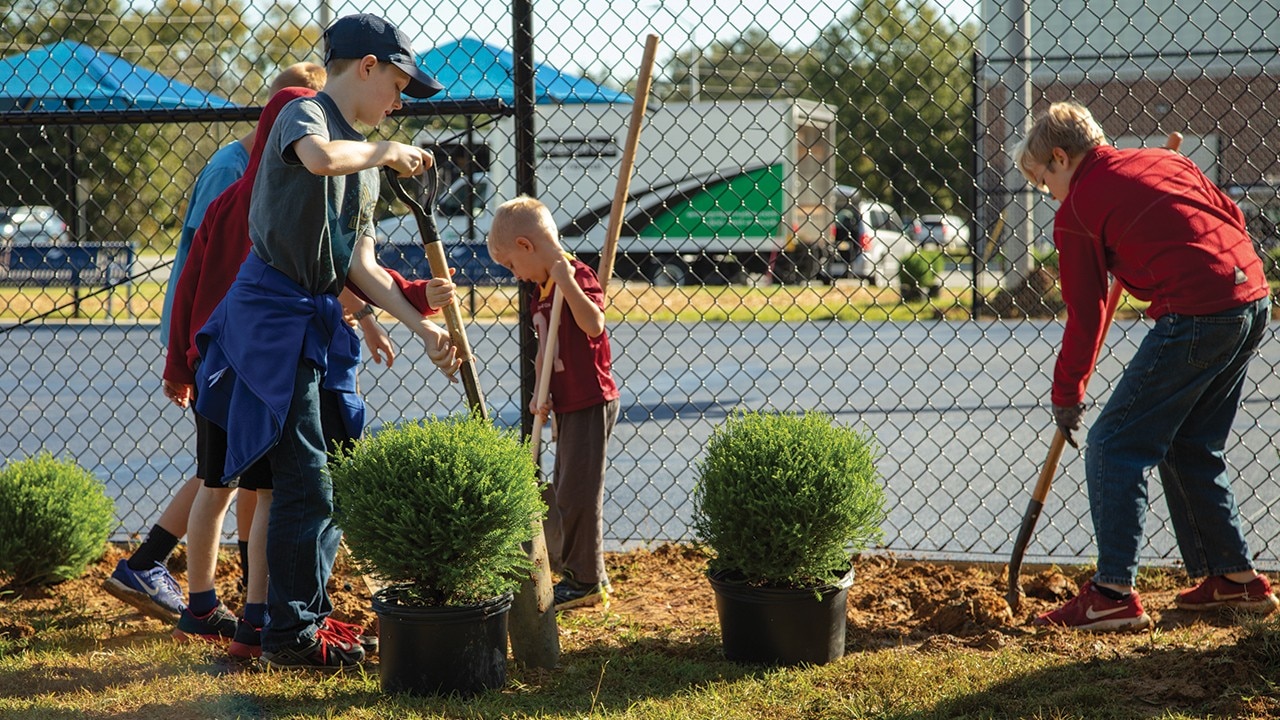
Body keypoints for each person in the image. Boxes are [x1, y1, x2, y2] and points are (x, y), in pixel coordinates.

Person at [192, 13, 459, 671]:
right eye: (397, 84)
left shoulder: (365, 163)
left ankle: (298, 622)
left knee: (324, 481)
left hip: (309, 324)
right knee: (304, 480)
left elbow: (359, 268)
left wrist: (421, 326)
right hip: (266, 327)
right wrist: (386, 151)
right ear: (366, 66)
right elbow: (317, 161)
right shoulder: (304, 117)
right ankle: (290, 636)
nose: (398, 103)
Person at [1013, 101, 1278, 631]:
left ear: (1061, 158)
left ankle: (1111, 592)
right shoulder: (1163, 162)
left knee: (1114, 443)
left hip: (1197, 313)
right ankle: (1234, 580)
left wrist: (1068, 393)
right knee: (1190, 444)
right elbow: (1234, 216)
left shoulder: (1079, 208)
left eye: (1044, 181)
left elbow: (1084, 316)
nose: (1048, 194)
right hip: (1251, 299)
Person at [104, 63, 327, 623]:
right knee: (224, 476)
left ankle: (233, 594)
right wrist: (181, 356)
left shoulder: (271, 177)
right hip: (224, 349)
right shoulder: (235, 178)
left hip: (244, 349)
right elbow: (194, 268)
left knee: (239, 476)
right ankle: (205, 594)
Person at [486, 196, 621, 610]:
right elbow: (545, 344)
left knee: (578, 492)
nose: (515, 274)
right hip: (563, 401)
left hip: (590, 399)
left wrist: (568, 282)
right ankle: (578, 571)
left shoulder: (575, 275)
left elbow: (593, 324)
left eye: (511, 265)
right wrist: (539, 394)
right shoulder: (539, 290)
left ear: (526, 246)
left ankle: (586, 581)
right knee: (563, 489)